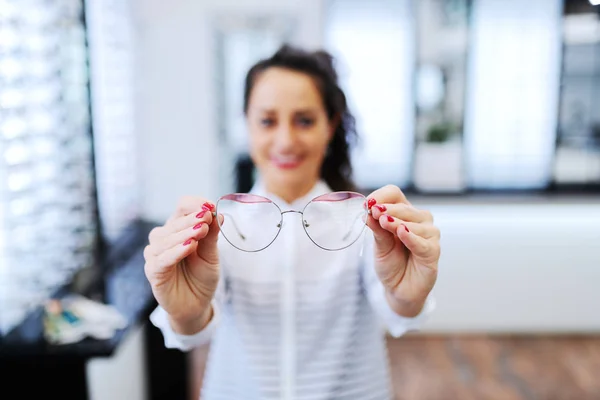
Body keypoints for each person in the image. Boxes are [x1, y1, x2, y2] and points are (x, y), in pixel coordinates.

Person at [143, 44, 440, 400]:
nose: (285, 140)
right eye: (267, 121)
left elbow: (398, 309)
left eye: (304, 120)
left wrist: (406, 297)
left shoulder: (366, 224)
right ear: (247, 124)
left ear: (330, 126)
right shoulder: (216, 231)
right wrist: (184, 314)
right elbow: (193, 326)